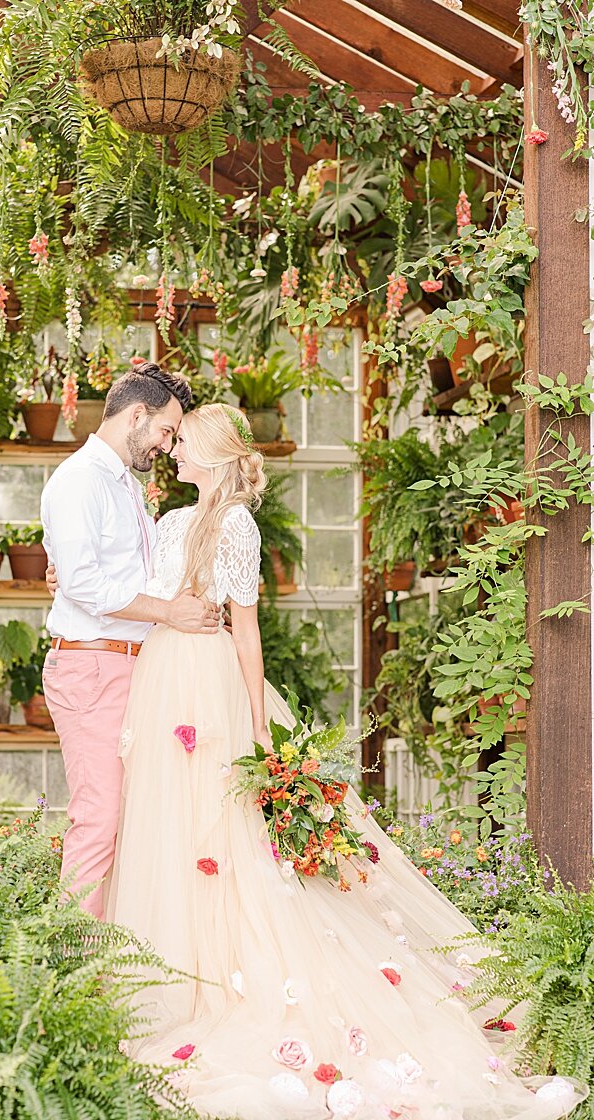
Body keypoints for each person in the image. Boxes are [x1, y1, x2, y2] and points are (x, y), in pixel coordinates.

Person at [52, 403, 582, 1119]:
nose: (172, 453)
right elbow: (137, 587)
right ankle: (163, 978)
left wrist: (252, 722)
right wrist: (71, 574)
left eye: (182, 444)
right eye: (170, 439)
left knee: (225, 833)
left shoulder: (235, 526)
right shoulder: (173, 521)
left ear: (208, 455)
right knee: (167, 832)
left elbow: (246, 633)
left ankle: (236, 977)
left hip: (209, 686)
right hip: (159, 683)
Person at [38, 361, 218, 919]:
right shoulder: (80, 481)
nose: (167, 445)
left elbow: (103, 577)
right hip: (94, 670)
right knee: (99, 819)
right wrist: (168, 614)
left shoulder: (123, 487)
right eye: (167, 430)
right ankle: (75, 976)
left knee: (135, 820)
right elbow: (87, 583)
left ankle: (111, 961)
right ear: (137, 415)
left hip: (128, 669)